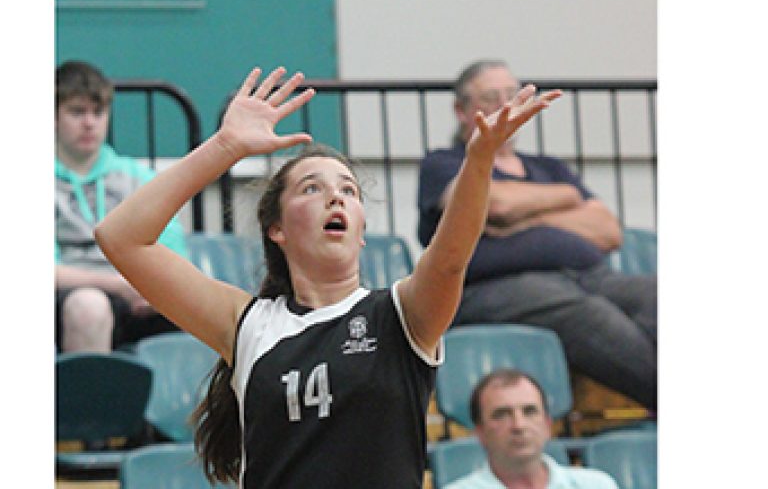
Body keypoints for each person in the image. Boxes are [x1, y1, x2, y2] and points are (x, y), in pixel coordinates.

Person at [94, 65, 561, 488]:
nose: (335, 199)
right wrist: (225, 147)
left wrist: (478, 162)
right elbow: (121, 237)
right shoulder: (248, 324)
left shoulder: (399, 316)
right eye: (312, 188)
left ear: (361, 231)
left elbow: (451, 257)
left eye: (348, 191)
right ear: (276, 229)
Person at [418, 60, 657, 410]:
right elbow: (496, 204)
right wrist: (565, 201)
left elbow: (609, 231)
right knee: (590, 314)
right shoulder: (446, 163)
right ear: (462, 111)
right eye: (490, 96)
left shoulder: (548, 166)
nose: (506, 104)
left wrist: (528, 216)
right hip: (498, 287)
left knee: (658, 294)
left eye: (511, 94)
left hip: (590, 275)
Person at [55, 60, 187, 352]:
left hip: (136, 296)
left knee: (202, 304)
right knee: (88, 306)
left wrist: (151, 288)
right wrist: (117, 285)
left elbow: (172, 254)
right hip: (68, 300)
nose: (89, 123)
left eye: (98, 112)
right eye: (77, 112)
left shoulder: (137, 178)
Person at [444, 368, 619, 489]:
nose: (519, 425)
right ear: (479, 432)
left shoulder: (597, 485)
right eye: (502, 414)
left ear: (547, 424)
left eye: (530, 411)